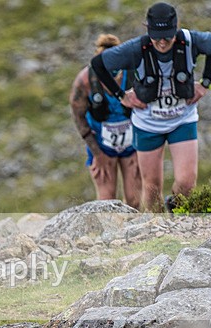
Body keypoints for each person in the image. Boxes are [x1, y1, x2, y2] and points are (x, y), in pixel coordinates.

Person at [90, 2, 211, 212]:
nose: (162, 42)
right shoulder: (135, 49)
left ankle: (178, 217)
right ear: (148, 29)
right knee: (151, 188)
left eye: (167, 36)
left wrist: (205, 82)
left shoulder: (191, 41)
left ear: (175, 29)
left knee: (187, 182)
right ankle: (156, 231)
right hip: (148, 124)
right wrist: (121, 96)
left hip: (182, 119)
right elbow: (98, 64)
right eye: (156, 36)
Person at [70, 34, 142, 208]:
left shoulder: (134, 75)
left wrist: (143, 148)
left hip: (132, 145)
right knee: (106, 202)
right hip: (102, 146)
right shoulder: (85, 80)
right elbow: (78, 116)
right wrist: (97, 153)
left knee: (134, 200)